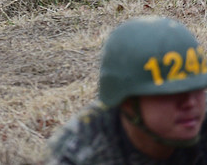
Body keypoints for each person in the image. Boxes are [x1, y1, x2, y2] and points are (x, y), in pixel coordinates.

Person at [47, 16, 207, 164]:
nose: (190, 103)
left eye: (197, 88)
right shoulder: (80, 151)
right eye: (171, 93)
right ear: (126, 102)